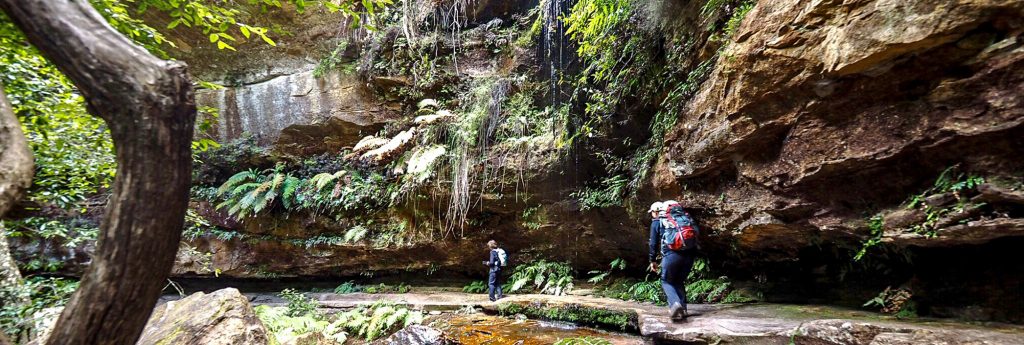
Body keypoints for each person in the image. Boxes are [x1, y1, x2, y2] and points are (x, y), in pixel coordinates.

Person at [649, 200, 698, 322]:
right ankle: (684, 309)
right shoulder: (686, 219)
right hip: (689, 254)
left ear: (657, 212)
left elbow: (653, 243)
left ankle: (675, 304)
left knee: (666, 281)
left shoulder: (657, 222)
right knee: (679, 280)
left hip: (672, 255)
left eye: (652, 212)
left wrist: (652, 260)